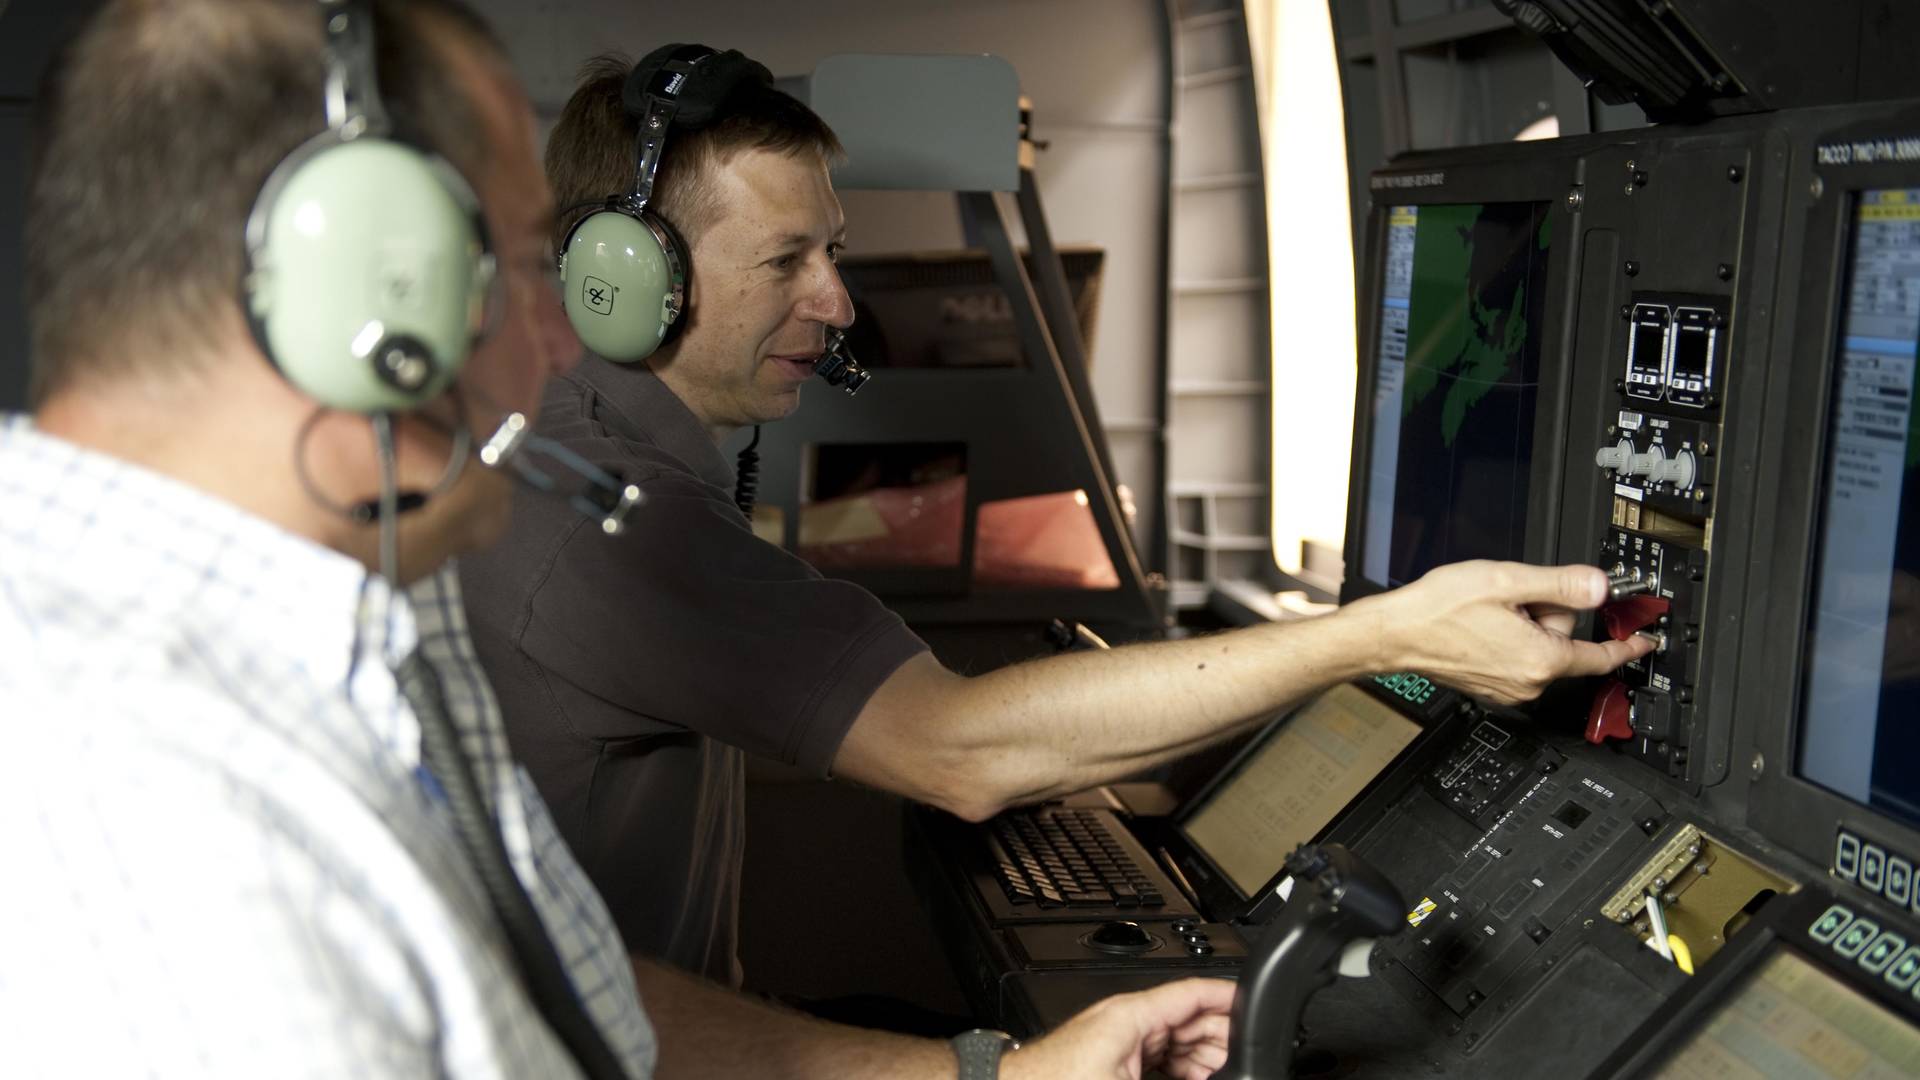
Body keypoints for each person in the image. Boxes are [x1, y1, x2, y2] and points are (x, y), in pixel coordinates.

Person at [0, 2, 1234, 1077]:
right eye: (503, 268)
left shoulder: (314, 648)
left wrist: (991, 1076)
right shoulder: (139, 780)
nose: (556, 339)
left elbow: (566, 993)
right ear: (348, 305)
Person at [459, 43, 1655, 987]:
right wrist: (1381, 634)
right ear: (621, 278)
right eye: (786, 261)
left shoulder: (568, 448)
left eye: (835, 250)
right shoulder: (614, 523)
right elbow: (956, 751)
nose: (837, 300)